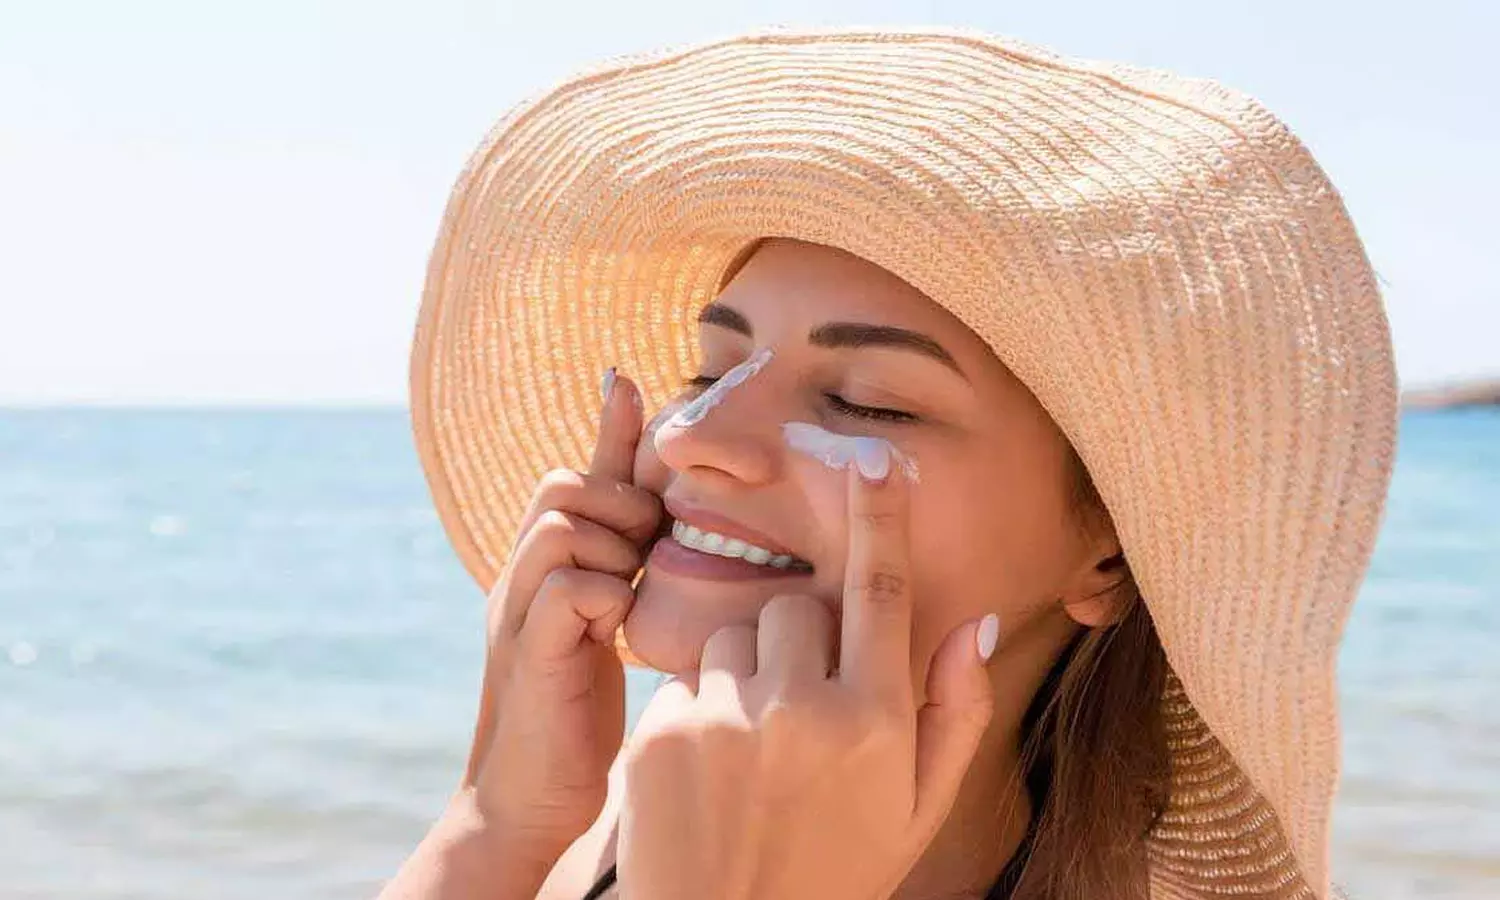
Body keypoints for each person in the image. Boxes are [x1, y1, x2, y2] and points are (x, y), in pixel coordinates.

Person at [381, 26, 1395, 900]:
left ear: (1109, 554)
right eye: (709, 374)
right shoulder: (632, 815)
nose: (691, 438)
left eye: (869, 403)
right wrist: (499, 818)